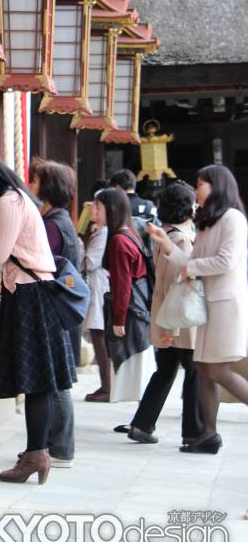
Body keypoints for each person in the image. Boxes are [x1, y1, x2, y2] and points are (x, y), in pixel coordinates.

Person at [0, 146, 76, 485]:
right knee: (37, 382)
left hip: (29, 294)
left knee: (37, 382)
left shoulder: (9, 201)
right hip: (30, 292)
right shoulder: (17, 198)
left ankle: (37, 453)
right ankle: (37, 452)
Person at [148, 165, 248, 453]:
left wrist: (190, 268)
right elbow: (189, 261)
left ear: (217, 186)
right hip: (207, 307)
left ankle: (207, 433)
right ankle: (207, 434)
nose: (196, 190)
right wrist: (165, 242)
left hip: (226, 306)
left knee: (216, 370)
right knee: (204, 369)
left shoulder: (233, 219)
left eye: (200, 183)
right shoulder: (208, 222)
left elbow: (224, 262)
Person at [119, 181, 204, 446]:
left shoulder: (168, 234)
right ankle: (192, 431)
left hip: (168, 314)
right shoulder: (179, 238)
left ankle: (142, 424)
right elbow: (179, 284)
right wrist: (172, 327)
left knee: (166, 370)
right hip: (180, 317)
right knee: (192, 372)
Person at [29, 160, 79, 468]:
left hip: (51, 307)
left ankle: (60, 448)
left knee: (55, 379)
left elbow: (39, 262)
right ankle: (54, 446)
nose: (30, 185)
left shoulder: (52, 225)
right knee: (55, 377)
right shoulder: (59, 220)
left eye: (34, 180)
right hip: (57, 307)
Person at [94, 187, 156, 404]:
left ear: (110, 209)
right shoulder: (129, 233)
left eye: (98, 207)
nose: (94, 211)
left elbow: (122, 284)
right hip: (138, 308)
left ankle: (142, 420)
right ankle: (141, 420)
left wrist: (118, 319)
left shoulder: (118, 241)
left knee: (136, 368)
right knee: (141, 366)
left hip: (130, 311)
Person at [81, 194, 111, 402]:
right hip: (97, 283)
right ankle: (107, 384)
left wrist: (79, 245)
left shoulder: (103, 232)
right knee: (98, 335)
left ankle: (107, 386)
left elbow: (90, 262)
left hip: (99, 284)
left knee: (99, 335)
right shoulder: (99, 231)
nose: (92, 210)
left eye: (97, 208)